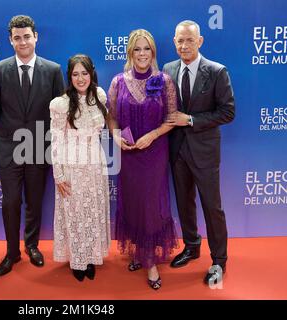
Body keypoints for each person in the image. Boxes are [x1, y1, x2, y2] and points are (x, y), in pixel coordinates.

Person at [0, 15, 65, 277]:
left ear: (36, 37)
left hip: (39, 145)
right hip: (10, 146)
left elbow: (60, 111)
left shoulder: (52, 70)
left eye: (27, 36)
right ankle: (11, 252)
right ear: (11, 40)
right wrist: (12, 132)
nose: (22, 41)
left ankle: (32, 246)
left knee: (34, 201)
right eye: (17, 38)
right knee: (9, 202)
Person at [163, 20, 235, 284]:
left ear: (200, 41)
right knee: (184, 203)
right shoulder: (168, 69)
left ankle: (219, 261)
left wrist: (191, 120)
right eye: (180, 40)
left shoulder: (217, 71)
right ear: (174, 42)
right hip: (177, 150)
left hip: (204, 152)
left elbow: (228, 112)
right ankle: (192, 247)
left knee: (212, 207)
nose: (184, 45)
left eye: (189, 40)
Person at [107, 29, 178, 290]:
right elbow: (112, 116)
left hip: (155, 153)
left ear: (153, 52)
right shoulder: (117, 82)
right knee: (133, 202)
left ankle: (151, 261)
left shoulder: (165, 81)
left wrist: (153, 135)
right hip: (128, 155)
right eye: (137, 49)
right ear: (130, 52)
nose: (142, 54)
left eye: (146, 49)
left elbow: (171, 119)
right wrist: (115, 136)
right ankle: (139, 252)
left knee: (151, 204)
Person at [50, 54, 110, 282]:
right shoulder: (60, 104)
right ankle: (77, 259)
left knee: (92, 211)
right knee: (74, 214)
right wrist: (59, 173)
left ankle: (91, 256)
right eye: (75, 74)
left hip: (96, 164)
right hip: (71, 166)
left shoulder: (100, 96)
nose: (80, 78)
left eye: (84, 73)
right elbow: (56, 140)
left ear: (91, 73)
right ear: (69, 77)